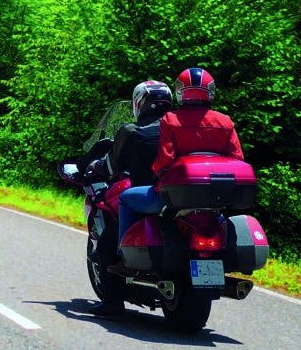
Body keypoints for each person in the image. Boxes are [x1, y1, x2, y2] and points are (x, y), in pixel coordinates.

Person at [109, 68, 244, 277]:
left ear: (180, 92)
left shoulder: (171, 119)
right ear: (211, 91)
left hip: (174, 197)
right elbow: (237, 161)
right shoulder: (225, 122)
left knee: (126, 198)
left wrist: (157, 175)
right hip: (214, 197)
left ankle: (122, 256)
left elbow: (164, 160)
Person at [83, 80, 173, 317]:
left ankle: (113, 302)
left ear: (139, 103)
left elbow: (111, 167)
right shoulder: (180, 130)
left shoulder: (132, 132)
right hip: (179, 198)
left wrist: (96, 166)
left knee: (106, 243)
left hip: (149, 197)